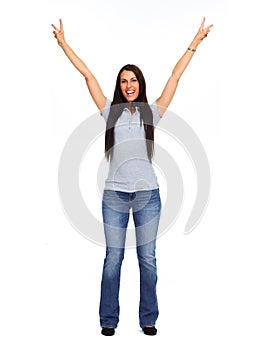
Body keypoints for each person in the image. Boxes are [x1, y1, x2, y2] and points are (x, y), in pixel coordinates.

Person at [52, 17, 213, 336]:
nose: (128, 85)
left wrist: (195, 40)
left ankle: (148, 318)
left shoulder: (151, 113)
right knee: (113, 259)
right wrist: (64, 44)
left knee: (147, 259)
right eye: (124, 80)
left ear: (140, 84)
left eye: (133, 80)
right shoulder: (109, 111)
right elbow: (87, 75)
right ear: (119, 85)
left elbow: (175, 76)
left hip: (147, 197)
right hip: (114, 195)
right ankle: (108, 319)